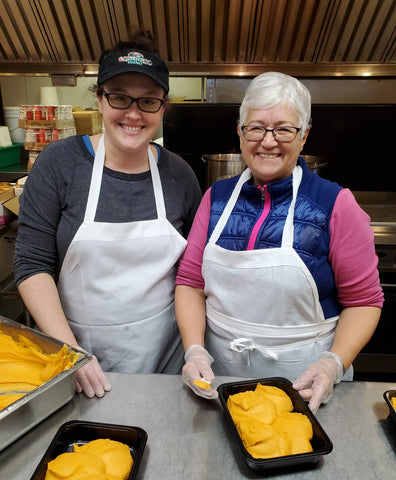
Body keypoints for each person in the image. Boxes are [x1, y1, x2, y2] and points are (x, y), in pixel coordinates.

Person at [175, 71, 384, 412]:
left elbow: (364, 302)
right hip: (219, 384)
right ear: (240, 134)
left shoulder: (335, 204)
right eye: (256, 127)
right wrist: (194, 349)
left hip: (305, 388)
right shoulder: (216, 197)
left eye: (283, 129)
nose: (268, 141)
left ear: (304, 136)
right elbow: (190, 282)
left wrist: (332, 364)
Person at [14, 29, 202, 399]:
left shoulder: (179, 173)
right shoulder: (60, 163)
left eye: (148, 102)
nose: (133, 113)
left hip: (165, 362)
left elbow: (194, 272)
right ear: (99, 100)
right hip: (78, 358)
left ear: (163, 107)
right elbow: (31, 264)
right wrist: (72, 354)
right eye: (119, 98)